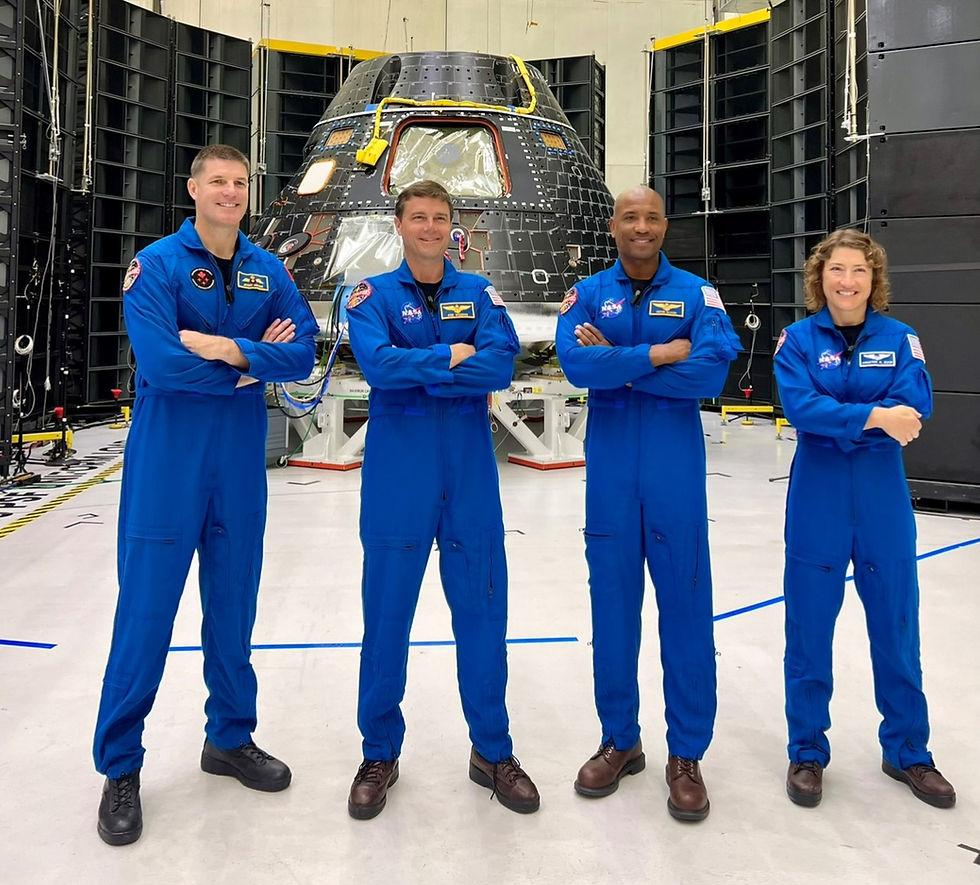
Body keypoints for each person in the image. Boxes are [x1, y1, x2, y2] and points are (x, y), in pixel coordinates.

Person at [93, 144, 319, 845]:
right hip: (168, 462)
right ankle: (120, 766)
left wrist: (223, 350)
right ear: (193, 188)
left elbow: (305, 350)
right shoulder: (156, 265)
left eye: (240, 182)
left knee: (233, 607)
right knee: (146, 616)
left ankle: (229, 737)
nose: (229, 191)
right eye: (217, 180)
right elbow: (158, 361)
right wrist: (252, 362)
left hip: (237, 465)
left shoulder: (267, 270)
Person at [344, 179, 539, 819]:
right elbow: (377, 368)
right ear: (398, 225)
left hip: (469, 476)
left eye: (440, 218)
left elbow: (500, 366)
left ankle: (492, 750)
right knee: (387, 616)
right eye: (418, 217)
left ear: (453, 227)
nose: (429, 228)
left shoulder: (478, 292)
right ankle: (379, 753)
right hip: (399, 476)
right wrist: (453, 357)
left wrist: (425, 364)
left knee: (484, 611)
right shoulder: (370, 295)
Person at [555, 186, 742, 822]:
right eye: (629, 216)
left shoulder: (697, 295)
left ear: (665, 226)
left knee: (686, 607)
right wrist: (660, 354)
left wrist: (620, 363)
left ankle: (686, 754)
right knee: (612, 609)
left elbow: (712, 373)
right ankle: (620, 740)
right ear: (614, 225)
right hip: (609, 478)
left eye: (651, 217)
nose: (640, 226)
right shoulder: (585, 294)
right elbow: (578, 367)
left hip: (674, 475)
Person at [773, 228, 955, 809]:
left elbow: (917, 404)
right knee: (808, 627)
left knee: (897, 625)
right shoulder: (797, 341)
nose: (846, 281)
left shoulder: (902, 339)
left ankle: (907, 750)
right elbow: (801, 407)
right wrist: (878, 415)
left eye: (858, 270)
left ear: (874, 280)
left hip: (881, 497)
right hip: (818, 495)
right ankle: (807, 750)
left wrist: (849, 417)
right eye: (835, 270)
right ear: (818, 278)